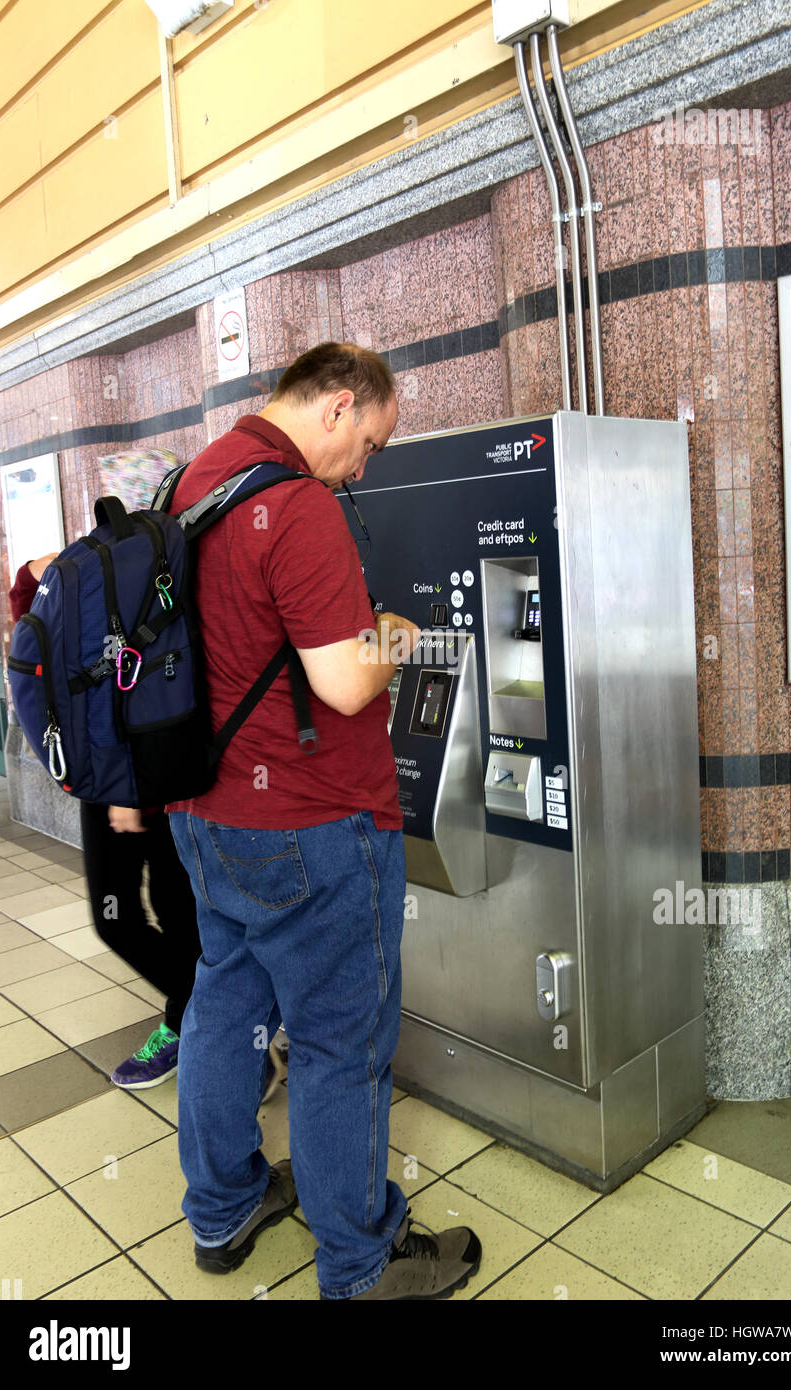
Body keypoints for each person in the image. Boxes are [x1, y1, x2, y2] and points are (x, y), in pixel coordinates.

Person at [165, 342, 482, 1300]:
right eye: (373, 444)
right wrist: (398, 635)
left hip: (205, 813)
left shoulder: (195, 479)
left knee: (223, 1007)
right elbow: (344, 681)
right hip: (312, 826)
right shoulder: (296, 505)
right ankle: (360, 1262)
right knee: (341, 1041)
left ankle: (222, 1212)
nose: (365, 466)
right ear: (340, 407)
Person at [7, 558, 289, 1098]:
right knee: (128, 917)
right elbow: (37, 640)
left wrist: (125, 789)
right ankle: (217, 1026)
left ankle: (212, 1030)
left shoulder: (159, 568)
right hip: (113, 770)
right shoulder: (77, 571)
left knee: (171, 912)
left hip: (148, 770)